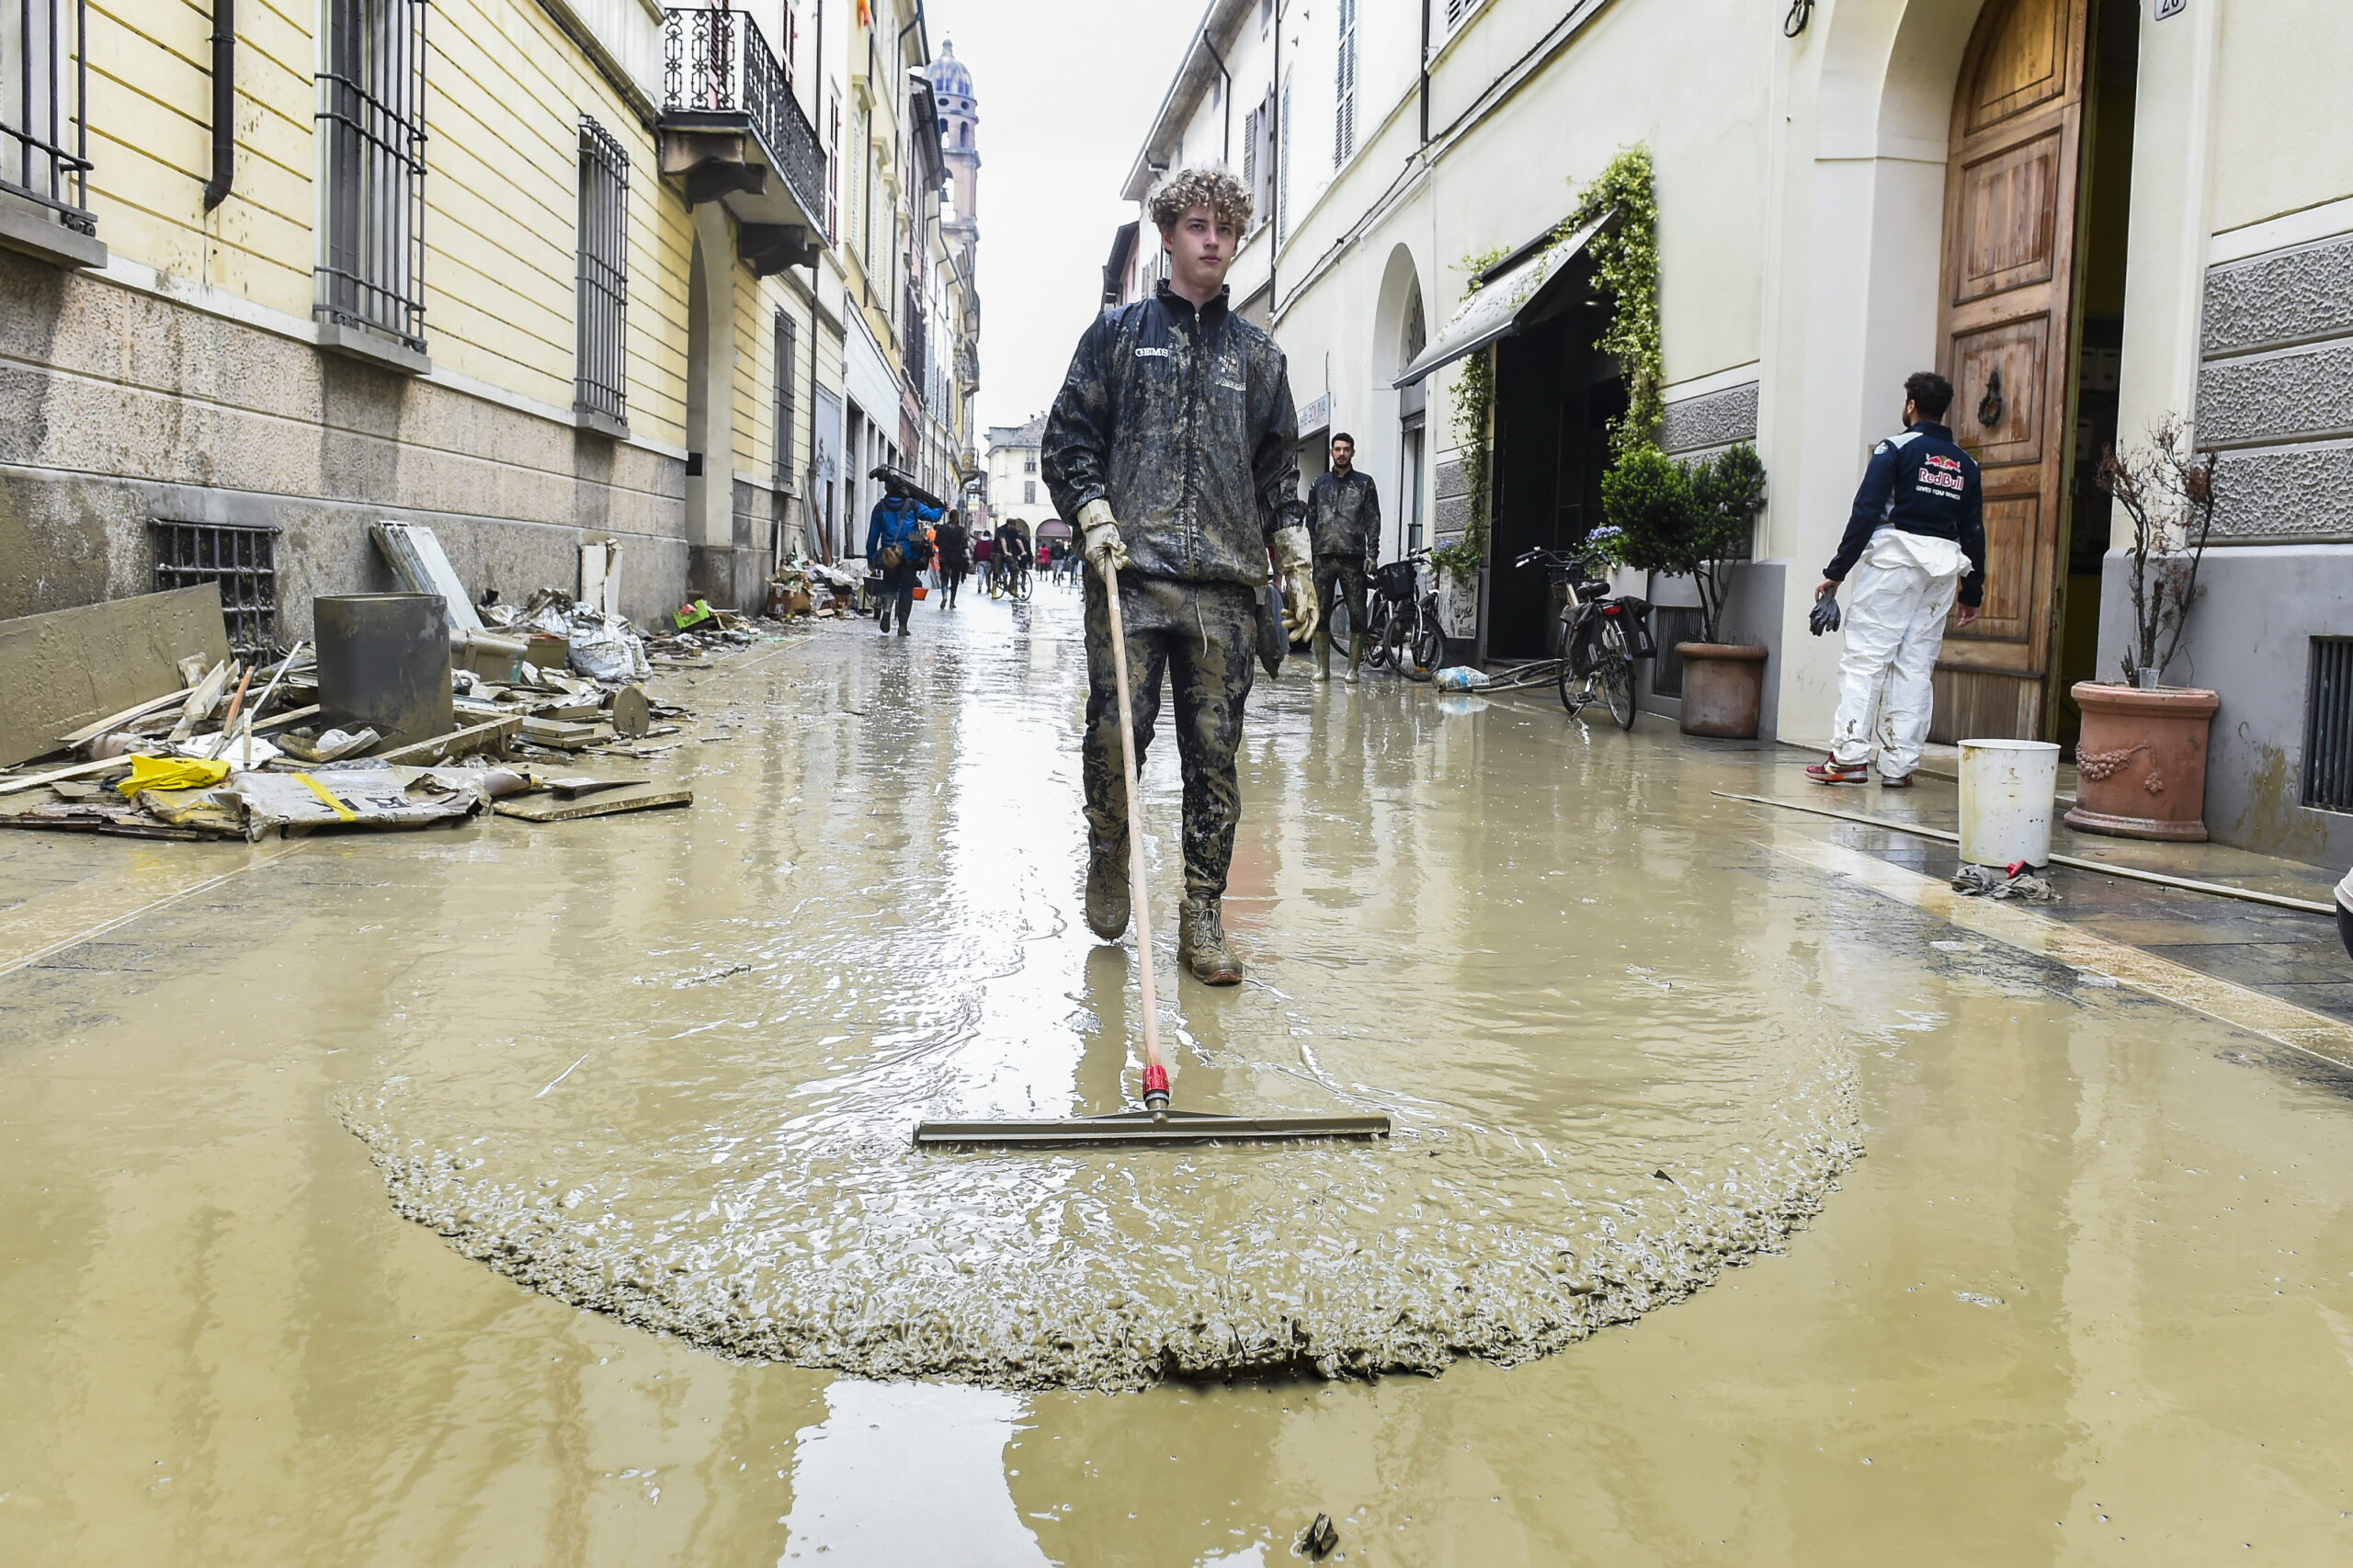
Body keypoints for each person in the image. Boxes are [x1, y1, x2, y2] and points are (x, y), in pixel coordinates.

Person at [1044, 165, 1313, 985]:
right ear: (1167, 236)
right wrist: (1092, 511)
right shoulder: (1117, 337)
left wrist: (1295, 557)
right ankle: (1109, 847)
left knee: (1214, 756)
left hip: (1225, 589)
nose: (1213, 241)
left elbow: (1278, 471)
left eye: (1225, 230)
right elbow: (1069, 437)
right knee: (1114, 733)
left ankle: (1201, 913)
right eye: (1198, 226)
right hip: (1129, 578)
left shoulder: (1259, 357)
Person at [1809, 370, 1986, 787]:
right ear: (1943, 410)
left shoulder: (1894, 449)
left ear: (1911, 405)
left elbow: (1866, 511)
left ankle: (1849, 758)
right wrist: (1973, 592)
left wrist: (1836, 572)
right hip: (1942, 571)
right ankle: (1899, 766)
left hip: (1894, 563)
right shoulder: (1966, 465)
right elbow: (1974, 529)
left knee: (1865, 661)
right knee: (1915, 666)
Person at [1304, 432, 1381, 683]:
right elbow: (1311, 519)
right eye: (1337, 449)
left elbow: (1373, 520)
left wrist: (1373, 554)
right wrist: (1309, 552)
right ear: (1331, 452)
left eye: (1346, 449)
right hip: (1323, 557)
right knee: (1320, 614)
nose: (1341, 453)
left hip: (1353, 557)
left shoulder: (1364, 483)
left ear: (1352, 452)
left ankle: (1353, 670)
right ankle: (1322, 668)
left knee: (1358, 615)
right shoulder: (1319, 484)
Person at [865, 481, 941, 636]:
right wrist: (940, 507)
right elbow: (933, 516)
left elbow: (872, 536)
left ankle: (887, 610)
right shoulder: (913, 504)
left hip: (889, 556)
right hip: (909, 555)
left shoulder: (880, 507)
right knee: (906, 590)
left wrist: (871, 558)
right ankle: (902, 626)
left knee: (889, 586)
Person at [935, 511, 971, 608]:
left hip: (944, 557)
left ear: (949, 517)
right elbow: (964, 544)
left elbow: (936, 542)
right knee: (955, 580)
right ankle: (952, 602)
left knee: (944, 578)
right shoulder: (961, 530)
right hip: (956, 558)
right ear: (957, 518)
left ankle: (944, 595)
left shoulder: (942, 528)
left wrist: (944, 545)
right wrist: (969, 557)